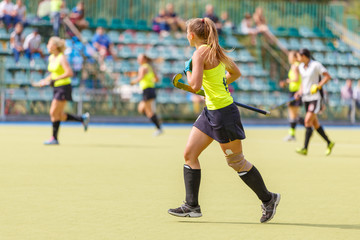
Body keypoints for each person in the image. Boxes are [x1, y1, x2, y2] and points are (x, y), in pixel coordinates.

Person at [168, 18, 280, 223]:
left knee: (236, 162)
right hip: (211, 111)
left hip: (223, 114)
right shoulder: (214, 49)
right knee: (190, 154)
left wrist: (188, 70)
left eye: (186, 32)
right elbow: (235, 73)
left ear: (191, 35)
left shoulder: (199, 53)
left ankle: (268, 198)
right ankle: (192, 206)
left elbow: (194, 86)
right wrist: (220, 83)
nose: (186, 35)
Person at [32, 36, 90, 145]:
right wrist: (45, 80)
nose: (47, 46)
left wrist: (54, 79)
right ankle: (82, 119)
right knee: (60, 115)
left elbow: (69, 73)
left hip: (64, 87)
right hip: (56, 87)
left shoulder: (61, 57)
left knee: (53, 112)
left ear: (54, 46)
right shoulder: (51, 58)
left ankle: (54, 138)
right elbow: (53, 74)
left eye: (49, 44)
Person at [294, 48, 335, 156]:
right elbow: (303, 82)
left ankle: (305, 148)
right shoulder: (301, 67)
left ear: (304, 56)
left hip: (316, 97)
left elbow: (327, 76)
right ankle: (329, 142)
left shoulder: (316, 65)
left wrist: (318, 86)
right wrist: (299, 92)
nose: (297, 58)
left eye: (298, 56)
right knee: (315, 123)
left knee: (307, 121)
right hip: (306, 98)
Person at [130, 54, 162, 136]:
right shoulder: (150, 67)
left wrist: (133, 82)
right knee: (141, 109)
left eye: (139, 59)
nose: (138, 60)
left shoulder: (143, 67)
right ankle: (156, 121)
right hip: (150, 90)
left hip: (147, 90)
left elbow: (140, 77)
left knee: (148, 111)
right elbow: (157, 78)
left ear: (144, 59)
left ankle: (158, 128)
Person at [280, 51, 303, 141]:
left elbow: (296, 79)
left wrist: (287, 82)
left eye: (290, 56)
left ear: (294, 57)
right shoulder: (296, 65)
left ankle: (293, 134)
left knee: (293, 114)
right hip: (293, 91)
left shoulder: (295, 66)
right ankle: (292, 134)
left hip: (295, 92)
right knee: (294, 115)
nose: (289, 58)